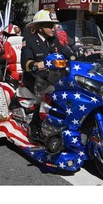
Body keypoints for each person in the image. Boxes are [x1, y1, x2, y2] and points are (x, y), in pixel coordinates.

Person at [20, 9, 67, 141]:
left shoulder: (54, 40)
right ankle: (35, 126)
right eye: (49, 25)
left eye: (53, 25)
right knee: (47, 91)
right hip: (36, 78)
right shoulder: (29, 40)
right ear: (40, 27)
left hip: (55, 77)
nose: (53, 28)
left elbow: (67, 54)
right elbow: (26, 62)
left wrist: (83, 56)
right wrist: (36, 64)